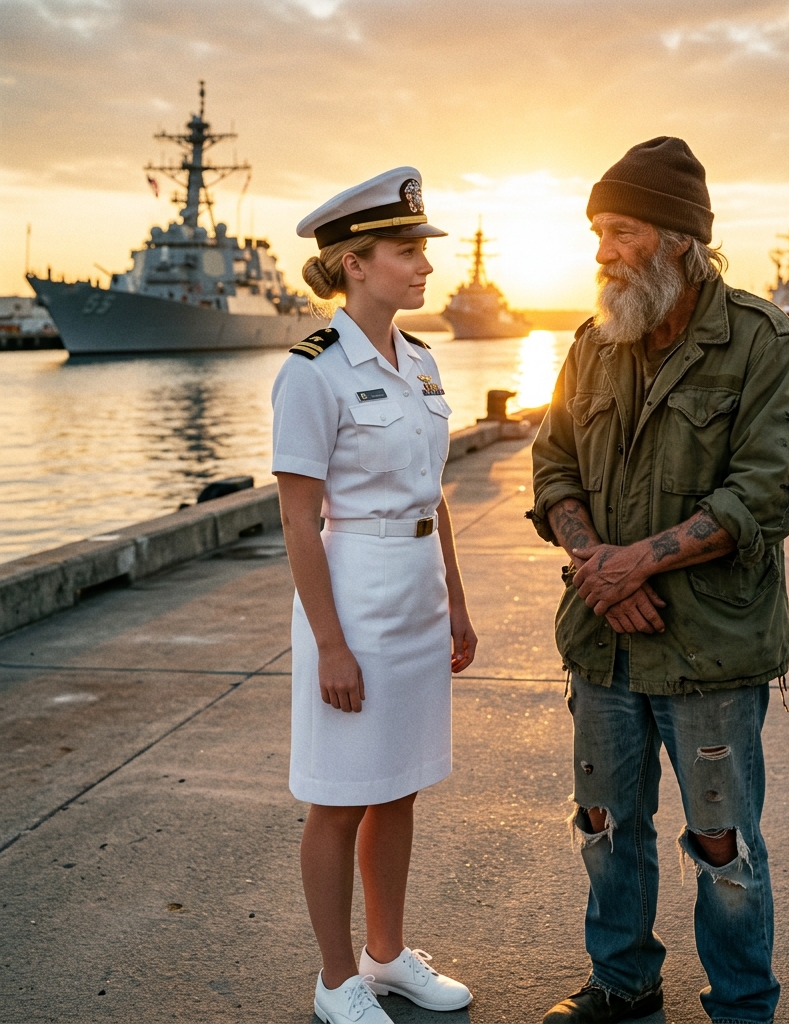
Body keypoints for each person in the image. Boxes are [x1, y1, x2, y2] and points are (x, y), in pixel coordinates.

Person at [529, 137, 789, 1024]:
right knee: (605, 830)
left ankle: (741, 1005)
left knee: (722, 845)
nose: (603, 251)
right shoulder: (592, 345)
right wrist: (596, 568)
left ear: (680, 239)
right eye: (598, 234)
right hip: (602, 643)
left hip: (710, 650)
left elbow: (768, 490)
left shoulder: (761, 342)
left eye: (620, 231)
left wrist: (635, 562)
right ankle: (623, 984)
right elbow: (552, 468)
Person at [272, 167, 476, 1024]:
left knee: (398, 786)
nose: (425, 264)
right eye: (407, 250)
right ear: (356, 263)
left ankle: (386, 957)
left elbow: (434, 494)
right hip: (352, 593)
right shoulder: (312, 372)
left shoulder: (421, 360)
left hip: (420, 595)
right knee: (340, 795)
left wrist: (458, 606)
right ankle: (333, 979)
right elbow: (296, 520)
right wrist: (330, 643)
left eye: (422, 248)